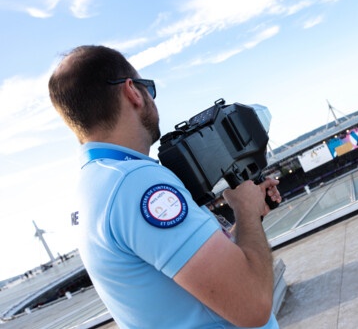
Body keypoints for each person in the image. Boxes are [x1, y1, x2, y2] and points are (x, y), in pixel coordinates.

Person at [48, 45, 282, 328]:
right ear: (132, 91)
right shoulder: (135, 182)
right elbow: (252, 305)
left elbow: (184, 271)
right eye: (149, 89)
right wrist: (245, 209)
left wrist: (250, 219)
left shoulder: (96, 185)